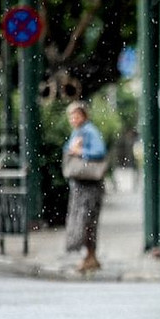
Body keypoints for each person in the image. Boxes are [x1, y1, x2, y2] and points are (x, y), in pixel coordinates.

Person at [63, 101, 107, 273]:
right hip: (81, 184)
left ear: (84, 116)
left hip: (89, 185)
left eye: (76, 115)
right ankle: (90, 256)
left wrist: (81, 152)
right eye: (71, 116)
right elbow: (68, 149)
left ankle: (90, 256)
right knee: (85, 220)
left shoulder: (89, 131)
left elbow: (99, 151)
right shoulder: (78, 132)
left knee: (87, 220)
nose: (73, 119)